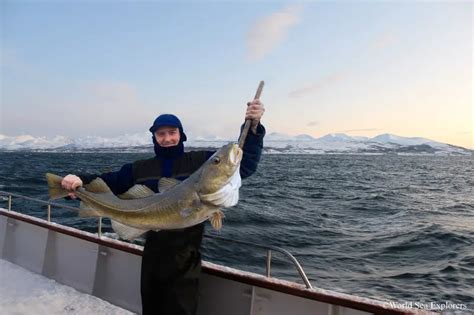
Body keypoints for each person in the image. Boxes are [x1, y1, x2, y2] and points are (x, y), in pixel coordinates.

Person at [61, 100, 265, 315]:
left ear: (181, 134)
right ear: (154, 138)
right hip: (152, 252)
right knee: (152, 307)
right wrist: (77, 183)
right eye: (161, 134)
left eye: (172, 132)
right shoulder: (139, 168)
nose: (167, 138)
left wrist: (253, 126)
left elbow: (245, 163)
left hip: (186, 255)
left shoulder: (201, 161)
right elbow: (108, 182)